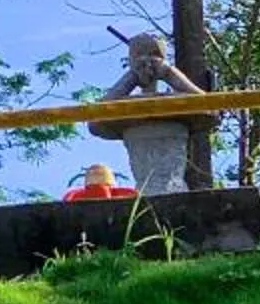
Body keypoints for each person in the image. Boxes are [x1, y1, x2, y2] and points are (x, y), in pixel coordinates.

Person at [87, 30, 205, 198]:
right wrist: (131, 77)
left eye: (154, 55)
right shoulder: (128, 106)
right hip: (143, 191)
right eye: (140, 57)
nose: (148, 62)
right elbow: (95, 119)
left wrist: (168, 73)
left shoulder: (179, 101)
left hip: (176, 188)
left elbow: (209, 105)